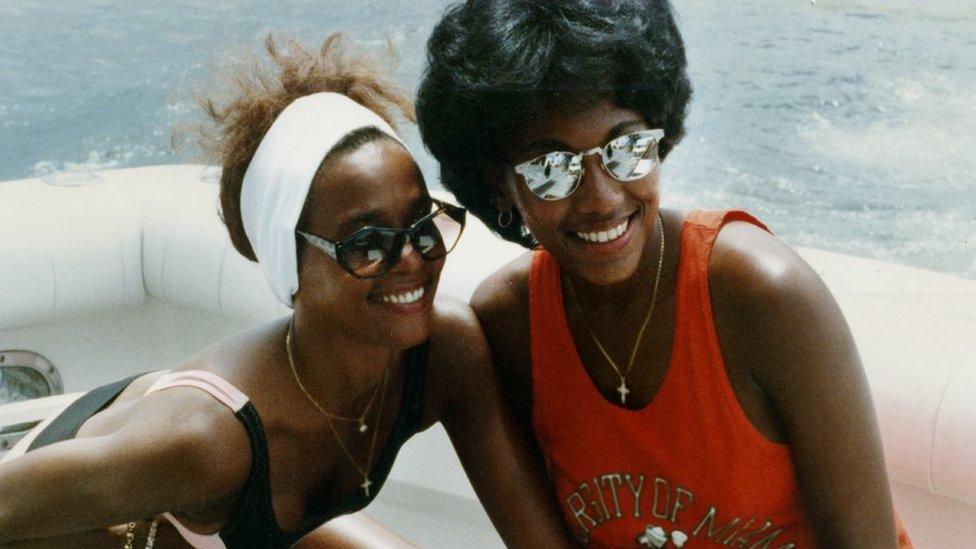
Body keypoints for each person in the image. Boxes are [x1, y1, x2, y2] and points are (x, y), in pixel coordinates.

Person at [0, 34, 575, 548]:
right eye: (367, 243)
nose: (412, 261)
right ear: (291, 263)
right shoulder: (205, 440)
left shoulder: (445, 351)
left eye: (422, 226)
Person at [416, 1, 913, 547]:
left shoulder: (764, 295)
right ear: (499, 185)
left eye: (626, 148)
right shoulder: (511, 328)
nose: (602, 198)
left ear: (661, 132)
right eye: (552, 168)